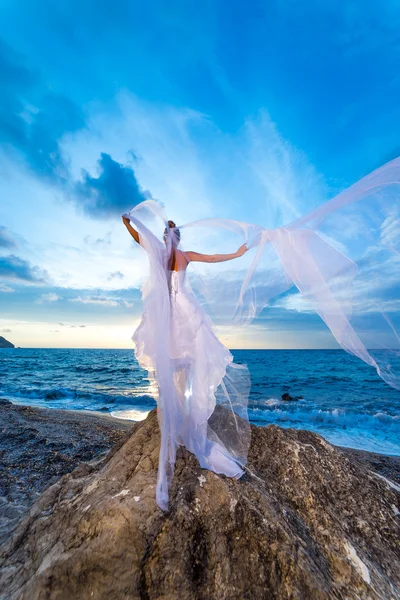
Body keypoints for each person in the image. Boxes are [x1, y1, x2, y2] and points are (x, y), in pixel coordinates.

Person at [122, 208, 251, 511]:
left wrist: (128, 221)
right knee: (187, 370)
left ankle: (178, 424)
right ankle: (185, 424)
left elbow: (138, 238)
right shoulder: (180, 254)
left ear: (167, 238)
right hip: (184, 313)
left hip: (169, 315)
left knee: (174, 369)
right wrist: (237, 253)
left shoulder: (160, 254)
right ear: (176, 238)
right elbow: (214, 258)